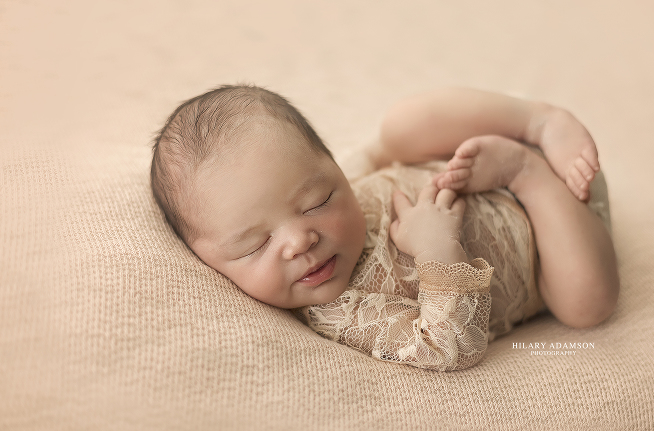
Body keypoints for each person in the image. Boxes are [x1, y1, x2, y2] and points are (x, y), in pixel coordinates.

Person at [150, 85, 619, 371]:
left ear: (332, 168)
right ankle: (525, 170)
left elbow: (369, 156)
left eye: (318, 201)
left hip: (485, 154)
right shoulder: (340, 312)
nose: (299, 241)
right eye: (255, 245)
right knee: (585, 304)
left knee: (398, 128)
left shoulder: (314, 179)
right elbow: (450, 346)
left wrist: (386, 154)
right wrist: (439, 250)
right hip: (560, 235)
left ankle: (538, 120)